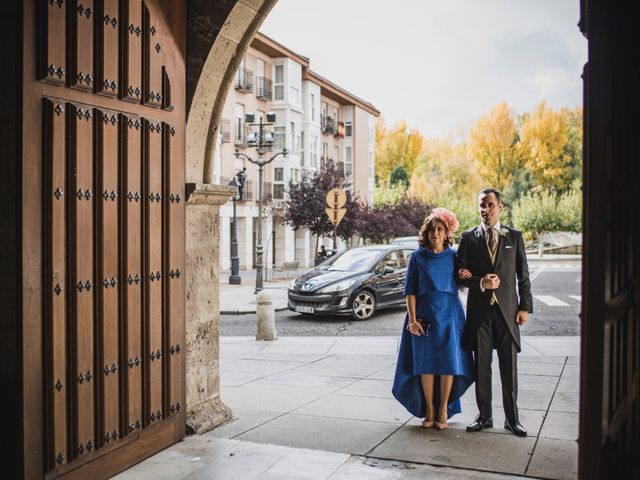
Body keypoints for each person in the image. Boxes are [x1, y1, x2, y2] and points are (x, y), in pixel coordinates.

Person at [455, 188, 533, 437]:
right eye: (481, 205)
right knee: (482, 369)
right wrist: (479, 281)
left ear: (499, 206)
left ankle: (512, 419)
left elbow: (523, 276)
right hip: (480, 314)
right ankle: (485, 417)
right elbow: (459, 273)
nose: (485, 210)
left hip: (508, 313)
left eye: (489, 205)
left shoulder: (515, 237)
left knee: (509, 368)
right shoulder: (468, 238)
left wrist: (525, 307)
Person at [392, 208, 474, 429]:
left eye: (440, 230)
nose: (435, 234)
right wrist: (412, 319)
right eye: (432, 230)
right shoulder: (417, 257)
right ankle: (429, 408)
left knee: (448, 363)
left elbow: (462, 283)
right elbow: (410, 290)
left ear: (447, 233)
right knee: (425, 364)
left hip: (450, 315)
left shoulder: (454, 256)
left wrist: (467, 276)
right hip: (423, 316)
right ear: (426, 234)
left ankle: (443, 410)